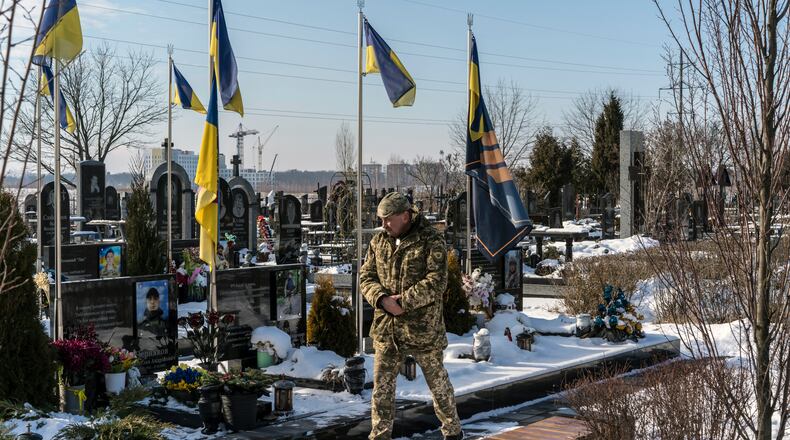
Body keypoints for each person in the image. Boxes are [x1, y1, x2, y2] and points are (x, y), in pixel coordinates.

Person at [360, 192, 462, 440]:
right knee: (382, 390)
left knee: (438, 385)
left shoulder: (430, 240)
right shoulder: (379, 241)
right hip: (387, 327)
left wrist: (404, 303)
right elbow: (366, 276)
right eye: (381, 219)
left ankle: (452, 431)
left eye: (388, 219)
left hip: (422, 329)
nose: (384, 224)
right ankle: (380, 435)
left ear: (405, 216)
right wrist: (382, 300)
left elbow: (437, 282)